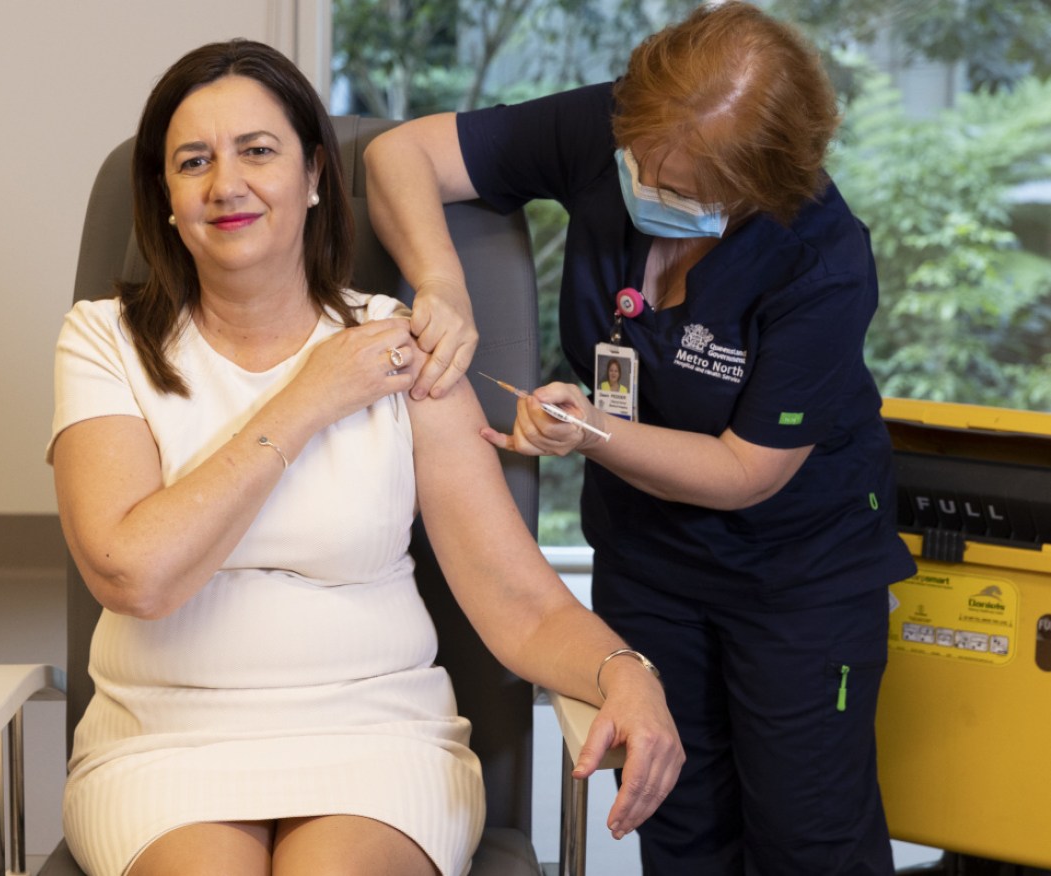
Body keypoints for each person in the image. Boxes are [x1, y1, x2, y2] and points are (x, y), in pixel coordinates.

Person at [48, 39, 682, 876]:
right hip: (160, 735)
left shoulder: (400, 344)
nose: (225, 184)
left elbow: (514, 598)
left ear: (314, 176)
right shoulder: (104, 339)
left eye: (258, 152)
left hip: (375, 737)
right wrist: (312, 393)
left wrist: (624, 672)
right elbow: (135, 576)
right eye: (192, 161)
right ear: (164, 197)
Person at [364, 3, 917, 874]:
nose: (648, 191)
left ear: (760, 189)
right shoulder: (614, 123)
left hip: (798, 578)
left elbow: (744, 472)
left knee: (806, 838)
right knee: (680, 827)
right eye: (639, 166)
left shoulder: (821, 260)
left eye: (687, 190)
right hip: (648, 560)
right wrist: (444, 285)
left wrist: (586, 430)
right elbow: (397, 152)